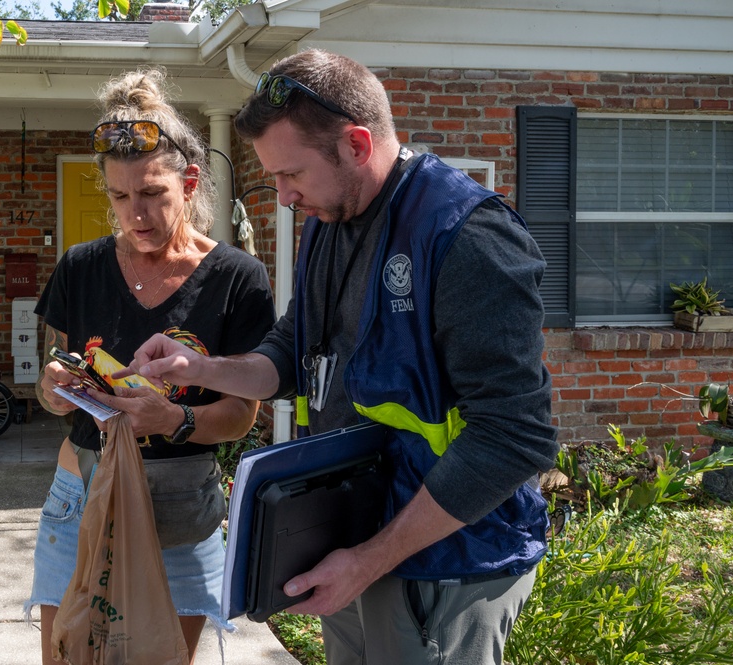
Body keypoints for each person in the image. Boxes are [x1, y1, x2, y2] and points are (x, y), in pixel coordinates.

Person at [122, 49, 560, 665]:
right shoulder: (331, 216)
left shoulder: (466, 237)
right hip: (355, 542)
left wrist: (370, 560)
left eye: (290, 174)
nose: (281, 196)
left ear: (356, 144)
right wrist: (204, 369)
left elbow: (515, 438)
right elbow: (293, 351)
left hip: (445, 563)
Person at [28, 68, 276, 664]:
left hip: (180, 507)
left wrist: (172, 419)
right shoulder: (81, 266)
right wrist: (55, 391)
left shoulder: (237, 278)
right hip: (80, 490)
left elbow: (242, 415)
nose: (134, 214)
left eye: (151, 194)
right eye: (118, 197)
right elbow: (47, 381)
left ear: (189, 182)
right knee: (68, 658)